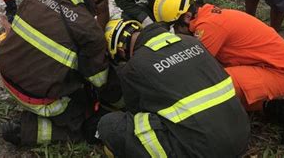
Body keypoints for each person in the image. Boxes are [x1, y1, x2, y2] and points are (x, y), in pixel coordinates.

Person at [0, 0, 122, 146]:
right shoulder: (90, 29)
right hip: (37, 98)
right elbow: (98, 81)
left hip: (6, 77)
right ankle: (27, 130)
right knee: (86, 120)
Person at [153, 0, 284, 147]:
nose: (175, 33)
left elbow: (193, 70)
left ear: (187, 17)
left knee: (212, 86)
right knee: (219, 83)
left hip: (283, 73)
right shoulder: (207, 16)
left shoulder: (208, 27)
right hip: (266, 67)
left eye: (175, 27)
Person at [97, 18, 250, 157]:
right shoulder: (192, 42)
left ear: (121, 51)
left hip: (205, 150)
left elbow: (135, 111)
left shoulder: (133, 66)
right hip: (241, 135)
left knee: (110, 124)